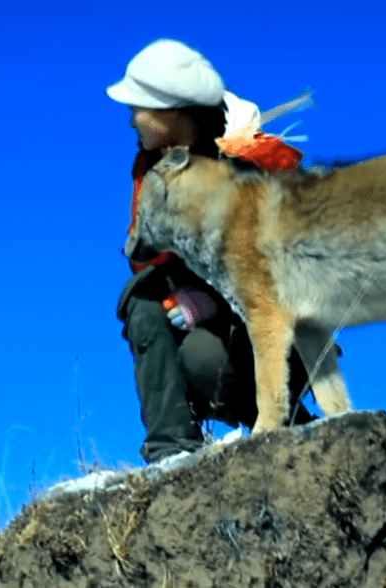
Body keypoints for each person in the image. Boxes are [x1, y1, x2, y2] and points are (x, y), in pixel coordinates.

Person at [106, 39, 316, 464]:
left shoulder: (249, 167)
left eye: (138, 109)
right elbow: (142, 249)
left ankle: (289, 425)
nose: (132, 121)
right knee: (142, 302)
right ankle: (171, 450)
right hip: (191, 299)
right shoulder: (152, 162)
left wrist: (214, 302)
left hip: (265, 328)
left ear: (173, 113)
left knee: (200, 358)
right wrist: (177, 286)